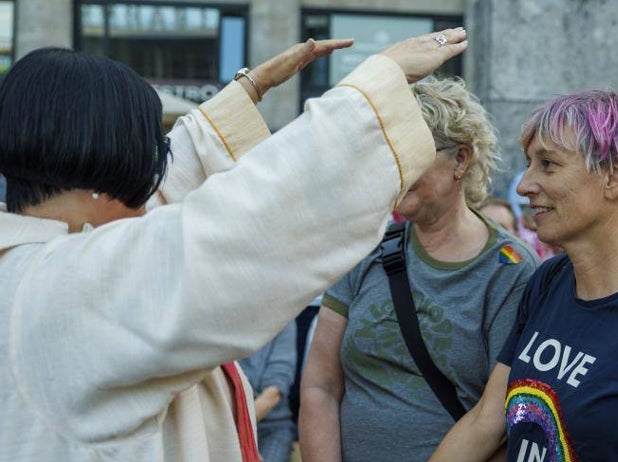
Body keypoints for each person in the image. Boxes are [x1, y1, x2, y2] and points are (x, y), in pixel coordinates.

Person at [0, 28, 468, 461]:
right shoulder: (64, 290)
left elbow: (160, 213)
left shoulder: (31, 268)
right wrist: (373, 93)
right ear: (110, 154)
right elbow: (242, 226)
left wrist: (245, 93)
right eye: (149, 143)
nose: (155, 162)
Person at [430, 90, 618, 461]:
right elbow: (487, 419)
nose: (524, 185)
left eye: (548, 164)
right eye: (529, 163)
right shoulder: (550, 280)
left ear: (614, 175)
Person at [299, 76, 539, 461]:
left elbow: (499, 418)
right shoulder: (367, 246)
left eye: (406, 154)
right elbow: (321, 385)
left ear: (460, 159)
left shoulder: (508, 269)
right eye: (385, 155)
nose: (393, 171)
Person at [239, 322, 298, 462]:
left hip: (270, 427)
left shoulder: (284, 320)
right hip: (222, 423)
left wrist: (236, 427)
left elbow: (274, 392)